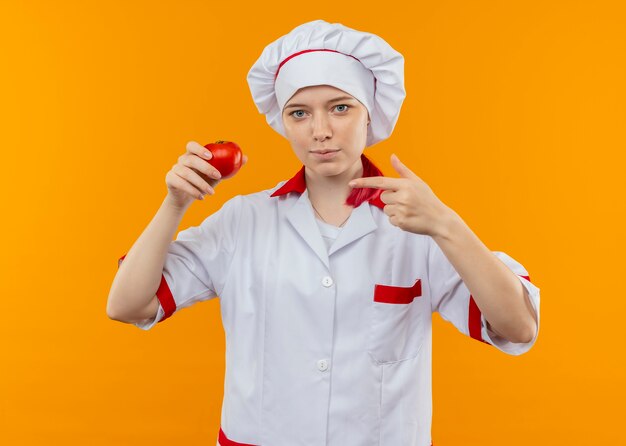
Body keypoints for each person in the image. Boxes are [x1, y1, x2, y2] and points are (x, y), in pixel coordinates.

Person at [107, 19, 540, 446]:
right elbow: (128, 304)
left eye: (340, 107)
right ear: (284, 123)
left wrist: (446, 224)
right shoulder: (243, 220)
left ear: (370, 112)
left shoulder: (420, 226)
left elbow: (517, 326)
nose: (321, 131)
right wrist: (174, 204)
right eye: (299, 113)